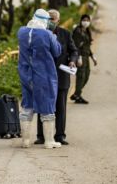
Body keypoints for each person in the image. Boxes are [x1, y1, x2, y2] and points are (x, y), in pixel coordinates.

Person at [18, 9, 62, 149]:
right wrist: (54, 38)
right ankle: (49, 141)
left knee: (27, 106)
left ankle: (25, 141)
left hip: (26, 74)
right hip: (44, 75)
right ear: (45, 21)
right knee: (47, 106)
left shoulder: (22, 32)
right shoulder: (47, 34)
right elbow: (57, 52)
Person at [35, 9, 78, 146]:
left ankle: (59, 135)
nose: (51, 21)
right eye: (49, 18)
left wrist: (72, 60)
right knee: (43, 106)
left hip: (61, 76)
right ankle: (41, 136)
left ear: (58, 21)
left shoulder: (65, 34)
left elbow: (74, 51)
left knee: (60, 107)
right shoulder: (39, 34)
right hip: (44, 76)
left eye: (53, 19)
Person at [71, 14, 97, 104]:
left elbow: (87, 46)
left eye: (87, 20)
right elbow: (76, 46)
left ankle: (77, 94)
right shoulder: (78, 31)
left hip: (86, 56)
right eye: (84, 20)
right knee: (81, 76)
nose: (86, 22)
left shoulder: (86, 31)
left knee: (86, 76)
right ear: (81, 21)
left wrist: (92, 56)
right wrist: (78, 57)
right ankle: (77, 95)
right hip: (80, 57)